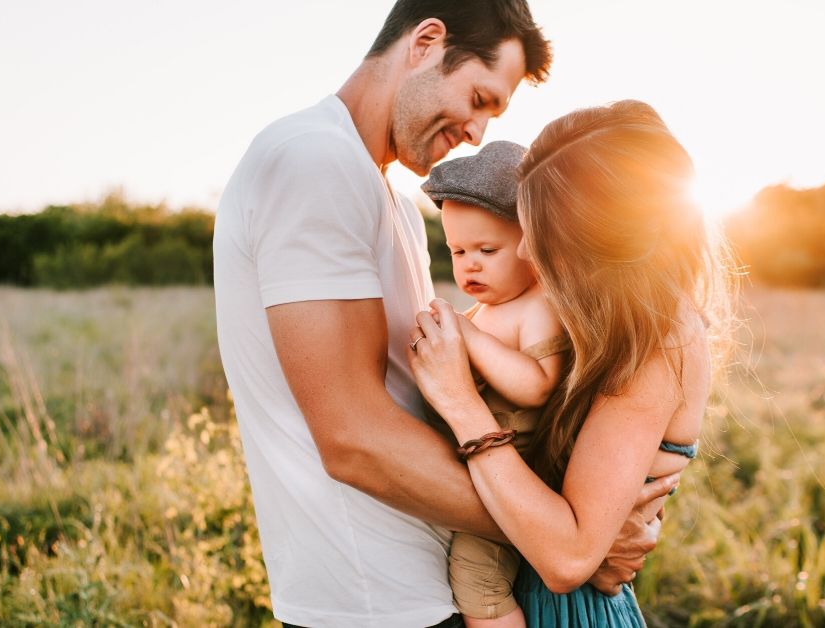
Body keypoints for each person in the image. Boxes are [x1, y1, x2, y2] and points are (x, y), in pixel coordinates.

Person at [213, 1, 677, 625]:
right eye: (480, 98)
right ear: (427, 41)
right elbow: (352, 438)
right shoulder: (312, 162)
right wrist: (567, 537)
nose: (478, 133)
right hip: (378, 600)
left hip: (433, 582)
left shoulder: (395, 201)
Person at [408, 100, 731, 627]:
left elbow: (567, 558)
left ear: (597, 240)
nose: (528, 252)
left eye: (542, 233)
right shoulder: (601, 323)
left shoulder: (658, 341)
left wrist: (461, 404)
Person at [422, 140, 568, 627]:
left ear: (533, 244)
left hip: (518, 477)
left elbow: (538, 385)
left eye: (487, 250)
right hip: (477, 472)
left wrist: (468, 337)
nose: (470, 264)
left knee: (477, 580)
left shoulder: (538, 305)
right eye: (457, 251)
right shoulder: (485, 310)